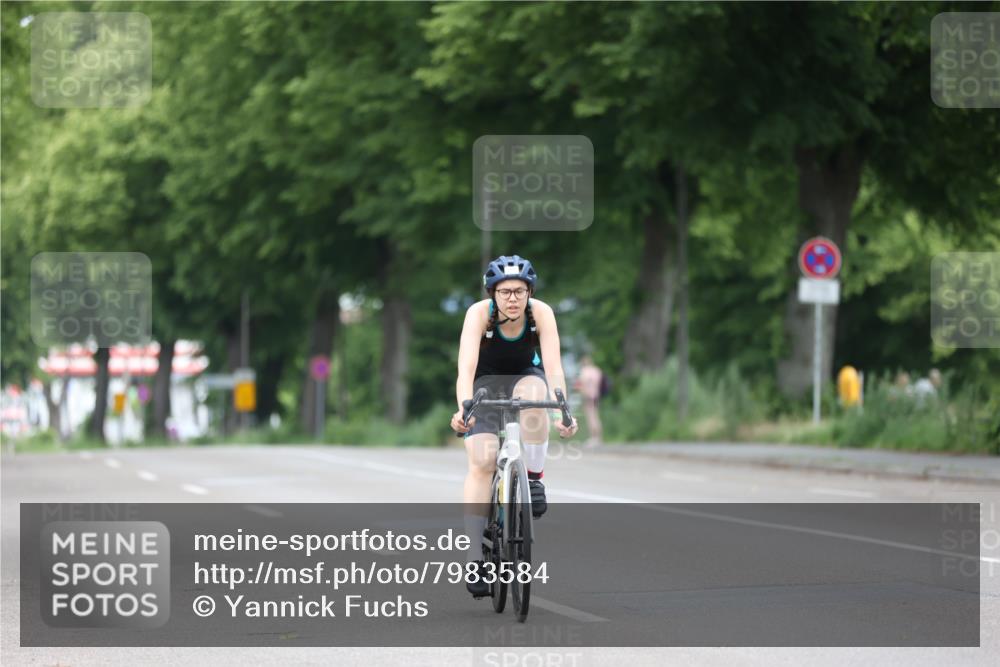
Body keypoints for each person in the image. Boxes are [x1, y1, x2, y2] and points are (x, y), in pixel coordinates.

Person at [451, 254, 578, 598]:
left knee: (536, 395)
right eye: (505, 291)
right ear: (493, 293)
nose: (512, 298)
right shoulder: (479, 314)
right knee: (481, 462)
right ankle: (475, 558)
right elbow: (465, 370)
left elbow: (554, 368)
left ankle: (533, 479)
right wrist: (464, 409)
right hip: (484, 385)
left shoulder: (541, 314)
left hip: (525, 378)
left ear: (529, 292)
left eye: (519, 291)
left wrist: (561, 413)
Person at [574, 355, 604, 446]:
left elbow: (580, 385)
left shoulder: (584, 371)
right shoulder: (596, 370)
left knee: (591, 417)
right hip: (596, 395)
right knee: (596, 416)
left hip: (588, 396)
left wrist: (580, 391)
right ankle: (599, 438)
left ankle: (593, 438)